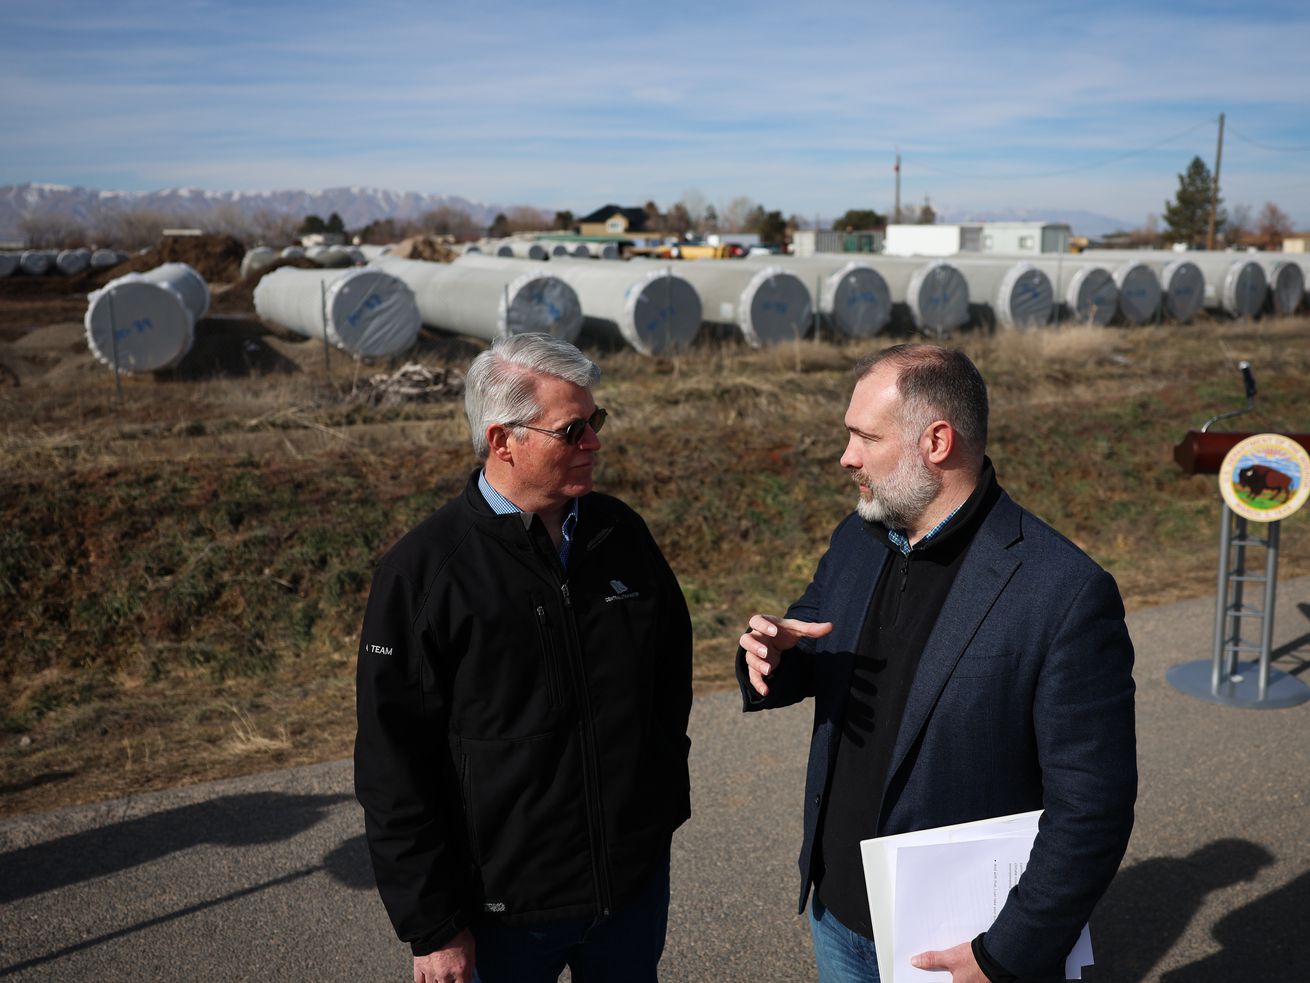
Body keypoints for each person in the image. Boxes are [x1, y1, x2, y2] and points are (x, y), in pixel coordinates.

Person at [737, 344, 1136, 983]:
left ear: (937, 442)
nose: (846, 457)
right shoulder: (858, 536)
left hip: (958, 946)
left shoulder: (1063, 592)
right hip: (837, 911)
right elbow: (812, 638)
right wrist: (774, 658)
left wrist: (1004, 953)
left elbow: (1093, 805)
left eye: (864, 436)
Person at [356, 333, 692, 983]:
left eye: (597, 421)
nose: (594, 441)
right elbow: (393, 765)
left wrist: (653, 812)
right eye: (573, 430)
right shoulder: (424, 574)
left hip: (629, 892)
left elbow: (668, 680)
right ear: (503, 439)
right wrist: (433, 924)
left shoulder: (619, 534)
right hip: (502, 918)